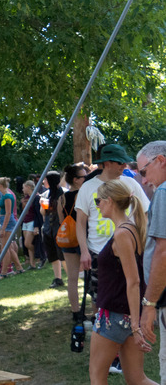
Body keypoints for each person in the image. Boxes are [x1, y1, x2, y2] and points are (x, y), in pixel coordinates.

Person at [88, 180, 155, 385]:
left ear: (109, 201)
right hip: (125, 313)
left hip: (115, 315)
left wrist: (135, 325)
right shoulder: (131, 229)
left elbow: (133, 280)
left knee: (97, 377)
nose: (97, 205)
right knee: (137, 379)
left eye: (98, 200)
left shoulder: (123, 233)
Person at [76, 144, 149, 308]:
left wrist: (143, 241)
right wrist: (84, 251)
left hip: (129, 248)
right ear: (107, 163)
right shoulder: (88, 187)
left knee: (132, 288)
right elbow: (80, 223)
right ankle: (100, 326)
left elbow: (145, 213)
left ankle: (135, 325)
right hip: (98, 252)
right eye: (120, 163)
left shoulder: (130, 183)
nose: (125, 166)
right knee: (100, 297)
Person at [136, 141, 166, 384]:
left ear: (161, 161)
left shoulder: (164, 192)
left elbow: (163, 253)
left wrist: (149, 304)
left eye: (144, 172)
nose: (144, 181)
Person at [59, 163, 89, 322]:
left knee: (72, 278)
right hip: (83, 239)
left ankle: (76, 312)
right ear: (76, 180)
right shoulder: (83, 195)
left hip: (68, 240)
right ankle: (92, 310)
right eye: (84, 176)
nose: (87, 178)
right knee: (90, 276)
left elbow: (60, 221)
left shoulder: (61, 198)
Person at [0, 177, 24, 278]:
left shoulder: (7, 196)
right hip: (5, 221)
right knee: (9, 248)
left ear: (1, 185)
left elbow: (8, 213)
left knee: (5, 248)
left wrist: (3, 229)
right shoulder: (4, 195)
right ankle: (19, 268)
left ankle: (4, 273)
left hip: (8, 223)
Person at [41, 171, 66, 288]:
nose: (43, 182)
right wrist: (43, 206)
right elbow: (43, 214)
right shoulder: (45, 195)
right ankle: (58, 278)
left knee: (64, 255)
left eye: (46, 179)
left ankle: (71, 277)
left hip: (60, 229)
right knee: (53, 255)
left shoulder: (64, 193)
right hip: (48, 229)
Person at [20, 180, 40, 269]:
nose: (22, 189)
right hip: (25, 222)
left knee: (28, 243)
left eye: (24, 187)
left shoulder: (36, 197)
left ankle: (39, 254)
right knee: (26, 244)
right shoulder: (25, 199)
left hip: (32, 221)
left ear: (28, 187)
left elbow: (37, 213)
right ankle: (32, 264)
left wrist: (36, 226)